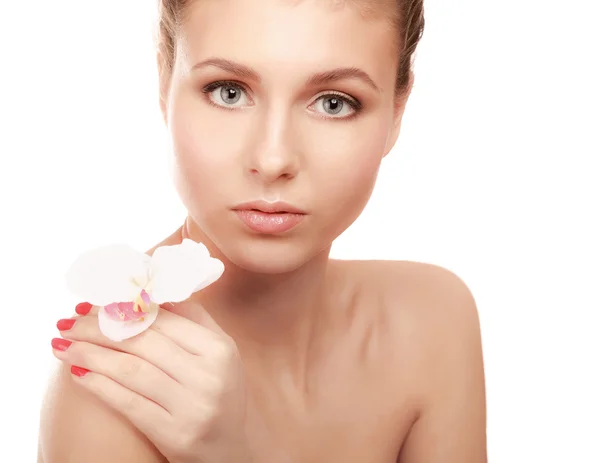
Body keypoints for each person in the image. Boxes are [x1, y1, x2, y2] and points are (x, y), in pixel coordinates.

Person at [38, 0, 487, 461]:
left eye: (334, 103)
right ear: (163, 84)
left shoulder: (432, 320)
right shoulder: (115, 387)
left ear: (397, 112)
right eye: (227, 91)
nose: (274, 160)